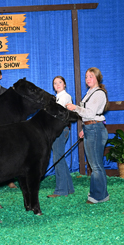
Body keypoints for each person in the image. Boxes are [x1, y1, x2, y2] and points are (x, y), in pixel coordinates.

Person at [66, 67, 109, 204]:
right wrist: (85, 127)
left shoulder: (99, 93)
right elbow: (91, 115)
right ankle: (99, 193)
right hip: (91, 127)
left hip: (95, 129)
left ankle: (99, 196)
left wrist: (75, 108)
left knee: (95, 165)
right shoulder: (90, 92)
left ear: (97, 78)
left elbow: (90, 113)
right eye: (86, 77)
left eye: (91, 76)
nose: (88, 79)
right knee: (94, 164)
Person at [47, 76, 74, 198]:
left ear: (64, 84)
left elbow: (58, 115)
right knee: (60, 158)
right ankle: (68, 188)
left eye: (60, 82)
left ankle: (61, 190)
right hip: (58, 130)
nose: (57, 85)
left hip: (60, 129)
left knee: (57, 159)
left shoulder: (65, 97)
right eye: (55, 83)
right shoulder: (57, 98)